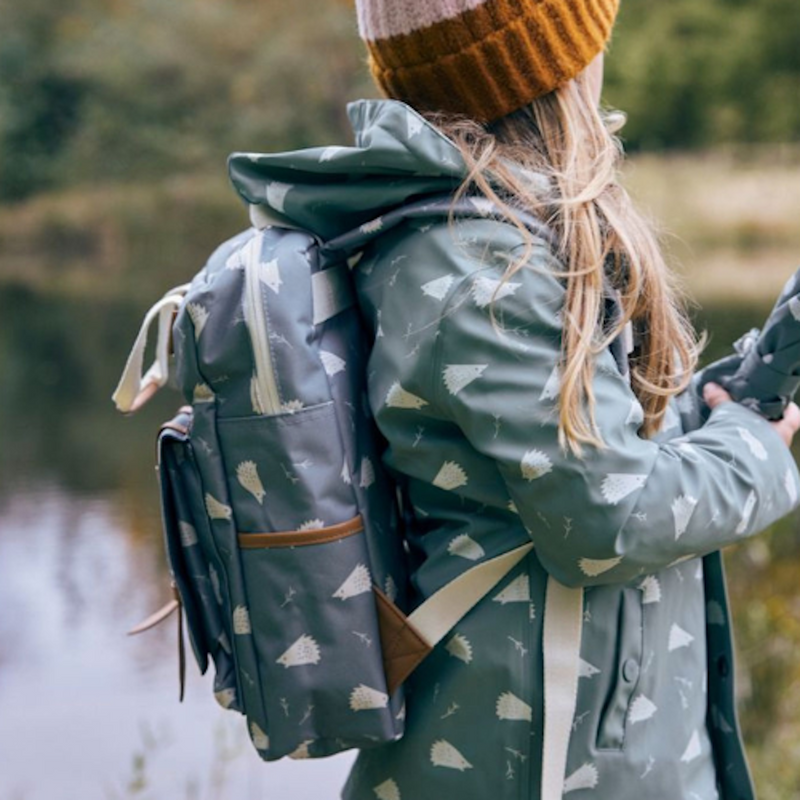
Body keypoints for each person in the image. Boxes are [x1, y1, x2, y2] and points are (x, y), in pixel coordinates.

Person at [234, 1, 800, 797]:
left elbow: (582, 452)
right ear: (547, 60)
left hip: (580, 741)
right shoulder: (483, 265)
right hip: (527, 759)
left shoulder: (493, 237)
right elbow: (610, 519)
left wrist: (711, 413)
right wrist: (753, 450)